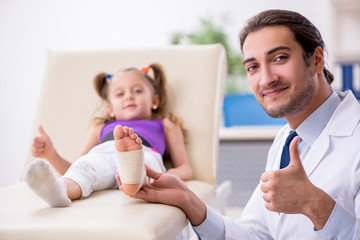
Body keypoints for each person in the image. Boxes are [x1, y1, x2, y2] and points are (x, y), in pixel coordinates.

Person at [125, 9, 360, 239]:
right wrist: (189, 201)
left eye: (279, 58)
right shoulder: (287, 139)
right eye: (253, 67)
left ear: (317, 60)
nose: (266, 79)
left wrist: (315, 205)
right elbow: (256, 233)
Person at [24, 63, 193, 207]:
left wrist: (171, 176)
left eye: (137, 91)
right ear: (110, 108)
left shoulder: (166, 124)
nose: (129, 97)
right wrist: (51, 155)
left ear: (155, 101)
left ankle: (133, 176)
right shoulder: (99, 128)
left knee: (145, 165)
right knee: (84, 168)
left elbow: (185, 168)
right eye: (120, 94)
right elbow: (74, 166)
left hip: (145, 153)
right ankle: (59, 191)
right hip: (102, 154)